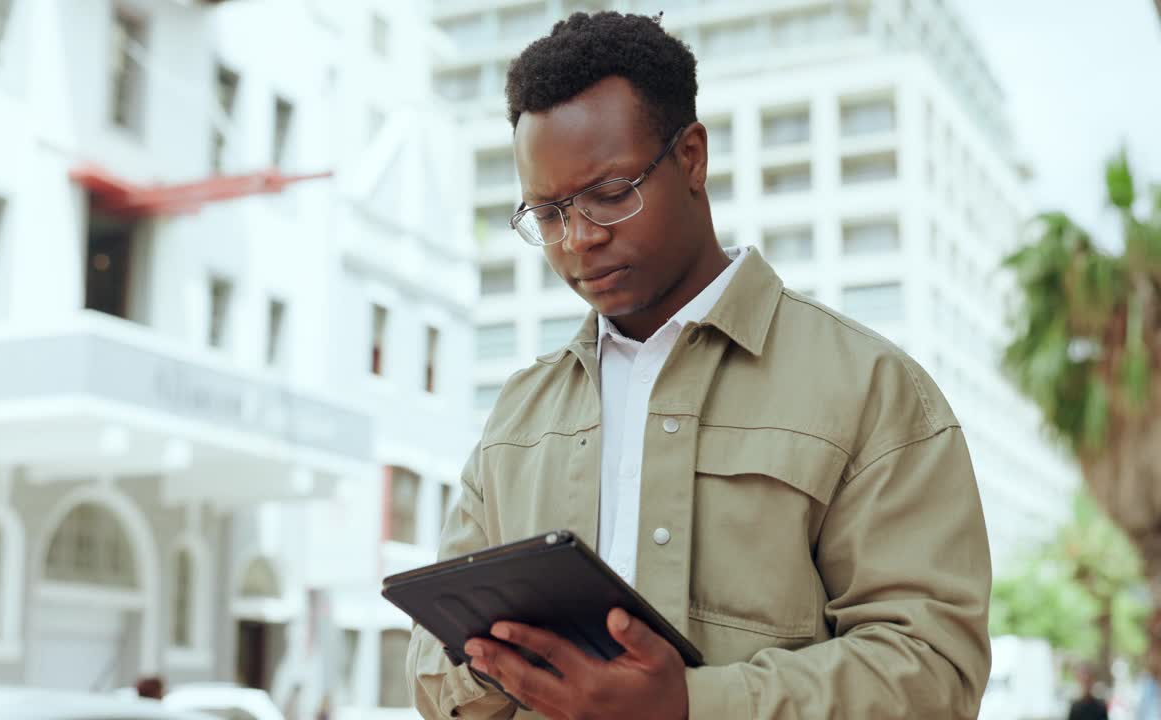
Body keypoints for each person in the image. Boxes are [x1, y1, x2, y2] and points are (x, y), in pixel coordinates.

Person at [407, 10, 992, 719]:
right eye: (549, 213)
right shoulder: (518, 417)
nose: (580, 238)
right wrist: (507, 660)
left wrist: (691, 705)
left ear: (691, 157)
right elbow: (431, 679)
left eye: (609, 194)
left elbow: (935, 670)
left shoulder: (869, 388)